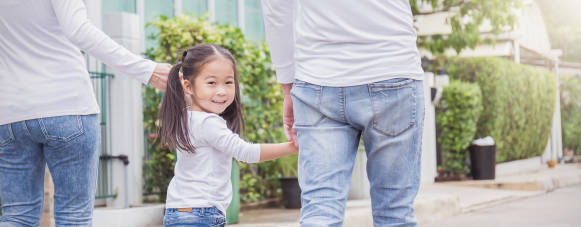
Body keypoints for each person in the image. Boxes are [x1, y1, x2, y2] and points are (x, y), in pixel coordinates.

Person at [0, 0, 171, 226]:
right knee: (74, 216)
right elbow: (78, 29)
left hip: (10, 113)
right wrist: (146, 69)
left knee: (17, 216)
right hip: (67, 106)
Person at [261, 0, 425, 226]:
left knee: (320, 212)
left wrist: (287, 85)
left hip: (318, 77)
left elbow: (276, 9)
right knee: (395, 214)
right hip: (391, 69)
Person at [158, 44, 298, 227]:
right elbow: (246, 152)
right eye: (211, 83)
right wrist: (294, 146)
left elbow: (189, 93)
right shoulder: (208, 123)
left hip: (178, 212)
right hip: (201, 214)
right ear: (187, 86)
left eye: (228, 82)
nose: (222, 91)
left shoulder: (185, 117)